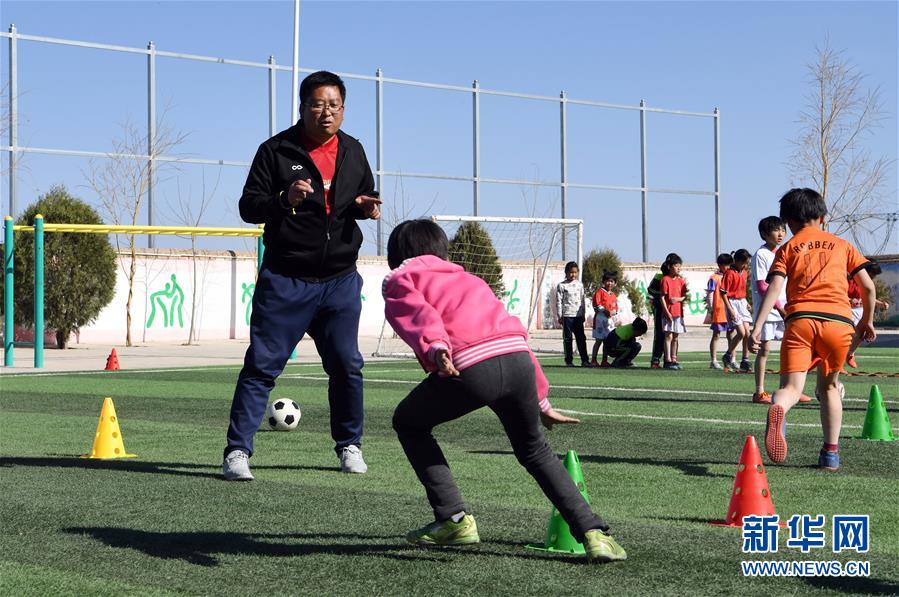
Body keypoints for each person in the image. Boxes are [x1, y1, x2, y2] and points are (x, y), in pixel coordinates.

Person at [383, 219, 627, 563]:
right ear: (442, 251)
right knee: (535, 450)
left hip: (470, 365)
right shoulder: (469, 278)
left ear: (397, 255)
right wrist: (541, 398)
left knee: (408, 423)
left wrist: (436, 346)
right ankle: (595, 534)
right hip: (516, 362)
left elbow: (419, 315)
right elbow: (514, 333)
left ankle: (453, 519)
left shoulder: (401, 277)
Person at [222, 71, 382, 481]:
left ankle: (350, 446)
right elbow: (248, 206)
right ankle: (237, 452)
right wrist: (282, 198)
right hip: (286, 279)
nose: (326, 112)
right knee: (261, 366)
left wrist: (366, 206)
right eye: (317, 104)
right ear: (302, 106)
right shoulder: (275, 150)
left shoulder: (354, 150)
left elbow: (362, 195)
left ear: (343, 110)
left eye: (334, 105)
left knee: (347, 365)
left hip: (340, 280)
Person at [750, 188, 875, 471]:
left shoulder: (788, 248)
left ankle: (779, 407)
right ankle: (830, 455)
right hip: (838, 323)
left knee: (791, 388)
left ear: (789, 222)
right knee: (829, 388)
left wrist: (757, 325)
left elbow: (775, 287)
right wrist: (866, 320)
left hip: (800, 321)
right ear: (822, 216)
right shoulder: (842, 244)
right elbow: (867, 286)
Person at [749, 217, 787, 404]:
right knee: (764, 350)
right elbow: (763, 286)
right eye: (776, 230)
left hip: (784, 309)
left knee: (789, 349)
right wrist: (779, 308)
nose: (780, 233)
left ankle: (786, 390)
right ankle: (759, 392)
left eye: (783, 229)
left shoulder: (783, 252)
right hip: (769, 311)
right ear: (764, 234)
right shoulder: (761, 255)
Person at [845, 262, 890, 369]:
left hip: (860, 311)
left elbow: (868, 297)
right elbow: (838, 294)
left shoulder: (866, 283)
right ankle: (836, 363)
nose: (873, 277)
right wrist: (850, 300)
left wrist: (881, 304)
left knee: (862, 333)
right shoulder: (848, 280)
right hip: (846, 310)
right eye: (872, 274)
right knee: (845, 336)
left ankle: (850, 354)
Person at [720, 249, 752, 372]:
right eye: (744, 262)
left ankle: (745, 360)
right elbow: (723, 293)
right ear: (737, 261)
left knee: (747, 334)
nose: (746, 265)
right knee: (741, 333)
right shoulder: (729, 273)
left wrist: (746, 302)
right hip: (732, 303)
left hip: (742, 302)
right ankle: (728, 355)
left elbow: (742, 289)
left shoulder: (744, 272)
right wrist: (730, 308)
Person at [647, 253, 679, 369]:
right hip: (660, 309)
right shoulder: (659, 276)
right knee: (660, 335)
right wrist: (662, 296)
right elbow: (650, 290)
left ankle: (670, 359)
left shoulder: (677, 278)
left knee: (673, 334)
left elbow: (682, 294)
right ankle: (655, 360)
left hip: (673, 311)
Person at [556, 261, 590, 367]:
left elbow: (582, 300)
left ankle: (585, 360)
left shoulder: (580, 285)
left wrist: (583, 313)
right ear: (566, 273)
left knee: (581, 338)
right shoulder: (562, 286)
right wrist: (560, 316)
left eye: (575, 272)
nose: (573, 275)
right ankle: (569, 361)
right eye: (571, 272)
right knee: (568, 339)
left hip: (578, 317)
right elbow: (558, 301)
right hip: (567, 316)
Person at [659, 254, 688, 369]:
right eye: (676, 266)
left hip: (678, 313)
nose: (678, 268)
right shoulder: (665, 280)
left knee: (676, 337)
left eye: (679, 266)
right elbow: (662, 297)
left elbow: (685, 295)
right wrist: (667, 312)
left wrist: (679, 299)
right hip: (669, 313)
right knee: (668, 336)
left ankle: (674, 358)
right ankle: (667, 360)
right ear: (670, 267)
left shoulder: (681, 281)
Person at [706, 253, 734, 369]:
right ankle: (713, 360)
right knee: (716, 335)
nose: (728, 268)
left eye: (729, 265)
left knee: (731, 335)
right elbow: (710, 293)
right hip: (719, 310)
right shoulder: (714, 278)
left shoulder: (731, 276)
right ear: (719, 265)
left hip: (730, 310)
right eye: (725, 265)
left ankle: (732, 359)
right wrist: (711, 308)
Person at [591, 271, 619, 367]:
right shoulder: (600, 292)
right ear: (603, 282)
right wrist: (605, 311)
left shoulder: (613, 295)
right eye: (607, 281)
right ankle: (593, 360)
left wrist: (613, 313)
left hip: (609, 321)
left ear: (615, 283)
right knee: (598, 341)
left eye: (612, 281)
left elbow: (616, 308)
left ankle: (604, 360)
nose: (609, 283)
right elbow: (596, 305)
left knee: (607, 342)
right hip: (600, 319)